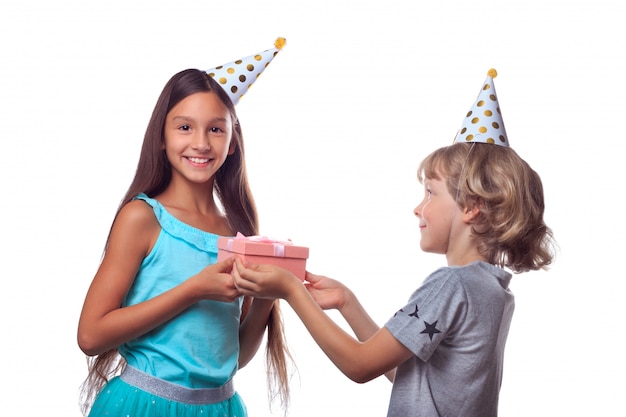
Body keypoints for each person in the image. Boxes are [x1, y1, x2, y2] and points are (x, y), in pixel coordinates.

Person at [231, 69, 557, 416]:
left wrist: (291, 290)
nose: (419, 207)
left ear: (472, 207)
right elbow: (406, 373)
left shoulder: (451, 285)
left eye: (430, 193)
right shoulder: (491, 289)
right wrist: (347, 303)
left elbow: (361, 366)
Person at [77, 38, 292, 417]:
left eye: (215, 129)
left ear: (232, 142)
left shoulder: (236, 231)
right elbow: (91, 335)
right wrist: (194, 289)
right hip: (143, 406)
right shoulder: (142, 218)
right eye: (184, 127)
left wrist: (269, 295)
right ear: (161, 136)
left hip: (220, 408)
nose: (200, 143)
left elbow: (232, 356)